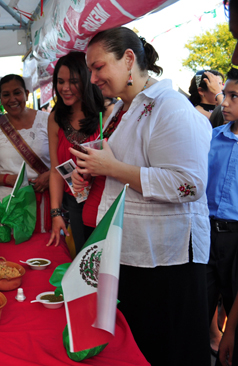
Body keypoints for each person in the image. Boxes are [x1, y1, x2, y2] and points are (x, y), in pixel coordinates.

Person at [70, 27, 211, 365]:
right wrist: (92, 171)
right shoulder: (123, 109)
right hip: (135, 254)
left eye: (98, 67)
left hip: (167, 262)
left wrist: (112, 168)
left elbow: (190, 185)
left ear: (129, 59)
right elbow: (126, 169)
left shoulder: (170, 107)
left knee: (169, 351)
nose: (92, 79)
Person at [46, 51, 105, 252]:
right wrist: (56, 214)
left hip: (104, 200)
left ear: (86, 80)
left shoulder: (105, 113)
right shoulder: (55, 118)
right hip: (75, 203)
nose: (65, 88)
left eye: (73, 81)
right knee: (83, 259)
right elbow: (55, 170)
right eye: (60, 81)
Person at [0, 74, 51, 234]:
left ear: (26, 93)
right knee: (12, 253)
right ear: (0, 99)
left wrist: (50, 175)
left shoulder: (48, 121)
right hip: (8, 203)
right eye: (6, 95)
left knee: (42, 252)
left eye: (17, 92)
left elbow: (63, 160)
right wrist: (9, 179)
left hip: (42, 199)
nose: (12, 99)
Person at [208, 68, 238, 365]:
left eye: (233, 96)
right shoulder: (212, 138)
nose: (224, 103)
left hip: (236, 238)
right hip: (207, 233)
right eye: (224, 95)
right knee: (200, 304)